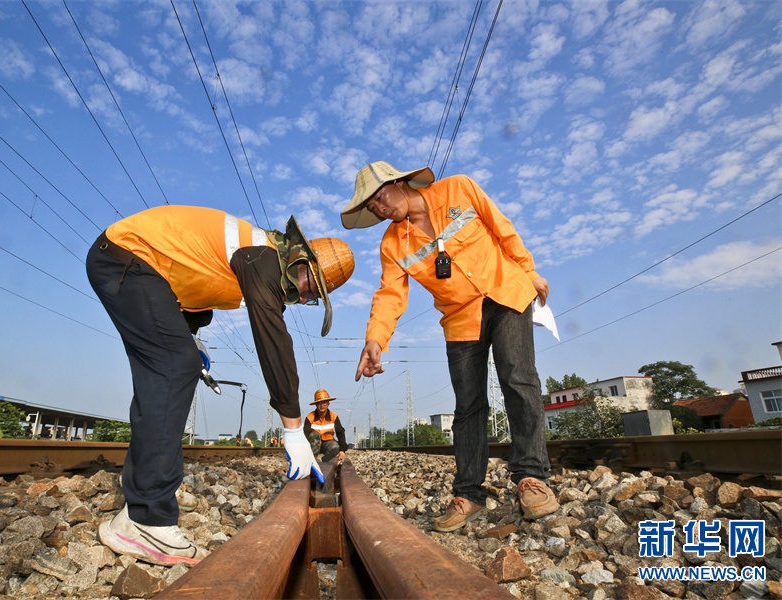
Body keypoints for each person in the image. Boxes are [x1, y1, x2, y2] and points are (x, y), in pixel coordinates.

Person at [88, 205, 354, 565]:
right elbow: (272, 339)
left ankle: (149, 490)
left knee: (169, 368)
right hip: (127, 258)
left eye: (313, 298)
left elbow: (193, 281)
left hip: (142, 267)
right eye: (311, 288)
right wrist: (293, 427)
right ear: (301, 263)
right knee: (172, 366)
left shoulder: (254, 254)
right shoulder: (263, 259)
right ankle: (144, 518)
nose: (305, 299)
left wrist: (190, 335)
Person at [341, 161, 558, 531]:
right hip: (460, 319)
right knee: (468, 406)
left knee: (518, 378)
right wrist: (375, 339)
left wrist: (531, 270)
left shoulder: (459, 189)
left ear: (400, 182)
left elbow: (502, 229)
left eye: (380, 196)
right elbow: (391, 293)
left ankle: (531, 478)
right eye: (372, 207)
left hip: (507, 293)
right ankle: (470, 494)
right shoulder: (393, 243)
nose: (380, 208)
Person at [303, 389, 348, 463]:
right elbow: (305, 434)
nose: (322, 405)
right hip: (314, 443)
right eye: (319, 403)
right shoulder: (310, 417)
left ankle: (325, 460)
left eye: (324, 403)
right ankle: (312, 459)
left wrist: (342, 450)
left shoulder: (334, 416)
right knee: (314, 434)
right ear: (316, 405)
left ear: (328, 404)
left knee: (335, 447)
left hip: (328, 443)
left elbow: (340, 433)